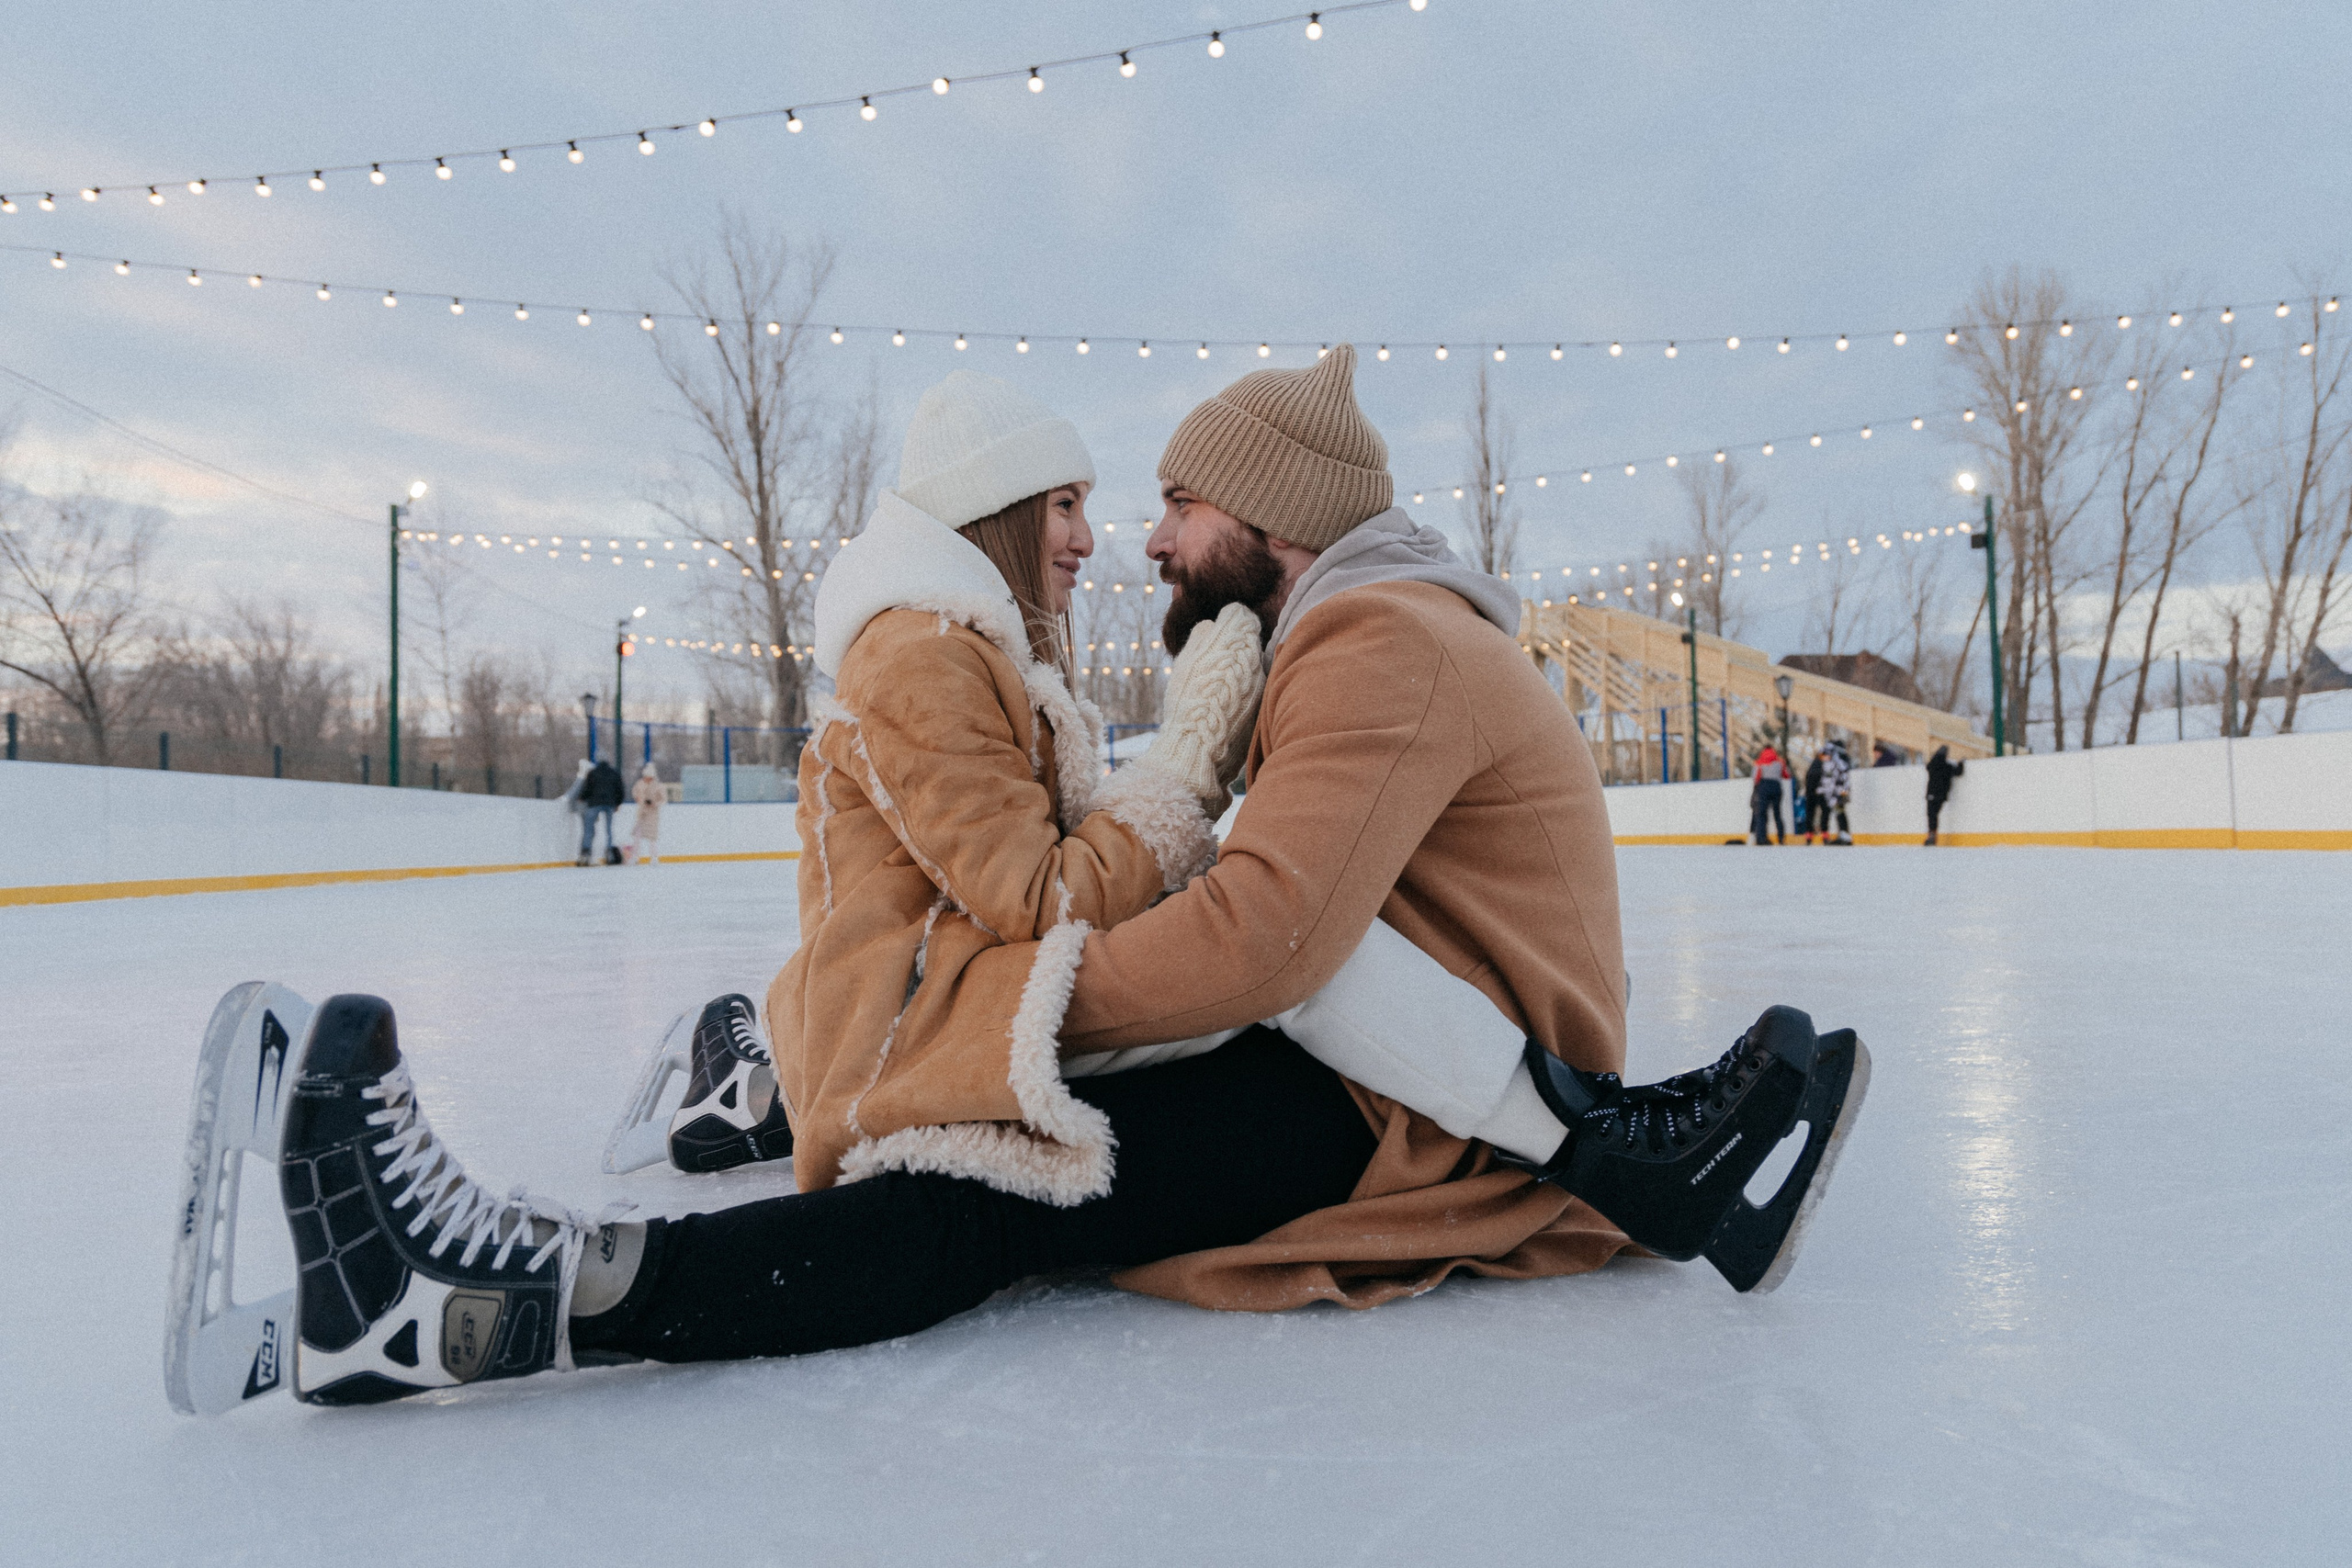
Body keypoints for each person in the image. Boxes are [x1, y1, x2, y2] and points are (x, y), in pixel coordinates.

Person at [215, 354, 1866, 1407]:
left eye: (1179, 500)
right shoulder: (1353, 631)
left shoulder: (1375, 639)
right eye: (1103, 503)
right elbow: (1235, 908)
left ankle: (495, 1294)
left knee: (976, 1197)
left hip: (1399, 1102)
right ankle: (723, 1121)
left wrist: (987, 1026)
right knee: (987, 1144)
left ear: (1273, 520)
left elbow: (1263, 937)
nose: (1146, 537)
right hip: (1376, 1059)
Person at [577, 756, 625, 865]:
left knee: (588, 829)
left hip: (594, 803)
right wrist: (618, 803)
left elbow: (587, 788)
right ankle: (609, 853)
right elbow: (620, 789)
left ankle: (586, 853)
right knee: (608, 829)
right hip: (609, 803)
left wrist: (582, 797)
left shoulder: (593, 773)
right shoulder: (614, 773)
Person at [1925, 744, 1964, 845]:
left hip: (1931, 793)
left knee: (1931, 815)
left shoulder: (1932, 765)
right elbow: (1959, 772)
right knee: (1935, 814)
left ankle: (1932, 835)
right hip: (1941, 795)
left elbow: (1927, 766)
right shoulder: (1947, 766)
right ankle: (1933, 835)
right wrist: (1961, 763)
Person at [1749, 744, 1788, 845]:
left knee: (1762, 814)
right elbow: (1786, 775)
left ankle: (1761, 838)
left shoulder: (1759, 762)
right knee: (1777, 813)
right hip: (1776, 787)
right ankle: (1781, 837)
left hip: (1764, 787)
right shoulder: (1780, 762)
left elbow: (1755, 778)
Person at [1818, 739, 1853, 845]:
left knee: (1840, 812)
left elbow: (1844, 777)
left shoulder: (1839, 763)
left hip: (1839, 792)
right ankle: (1843, 834)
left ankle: (1845, 835)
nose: (1824, 757)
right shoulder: (1828, 765)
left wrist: (1844, 790)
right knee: (1838, 812)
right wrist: (1823, 789)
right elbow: (1827, 780)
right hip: (1833, 793)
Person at [630, 763, 665, 866]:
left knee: (652, 837)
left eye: (648, 777)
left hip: (652, 814)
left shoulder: (658, 786)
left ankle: (654, 857)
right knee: (637, 835)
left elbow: (663, 799)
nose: (646, 778)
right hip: (642, 813)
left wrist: (654, 803)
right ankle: (635, 857)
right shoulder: (639, 784)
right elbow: (635, 793)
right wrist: (638, 799)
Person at [1802, 749, 1827, 844]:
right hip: (1821, 792)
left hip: (1810, 793)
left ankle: (1809, 834)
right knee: (1824, 812)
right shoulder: (1824, 766)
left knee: (1810, 814)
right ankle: (1824, 834)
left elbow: (1807, 779)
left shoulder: (1812, 766)